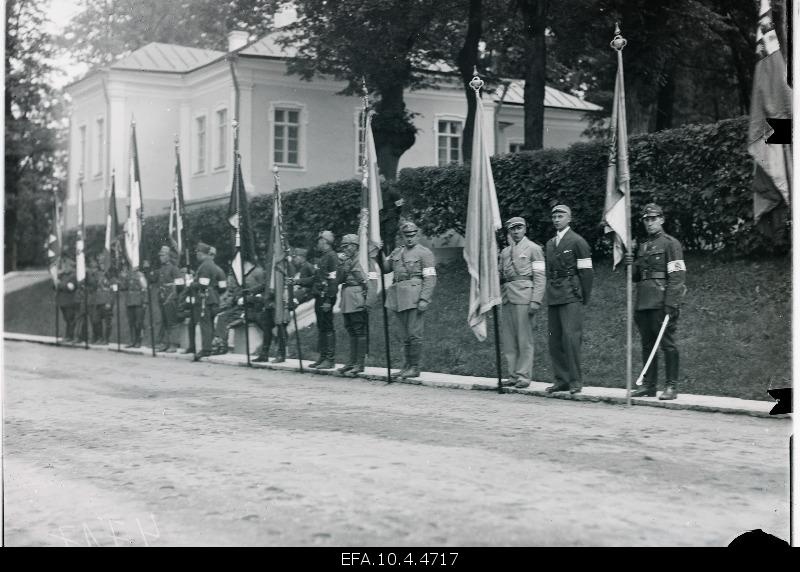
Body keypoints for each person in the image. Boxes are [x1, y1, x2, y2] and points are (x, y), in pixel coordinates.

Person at [625, 203, 687, 400]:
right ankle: (649, 385)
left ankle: (671, 386)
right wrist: (630, 262)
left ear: (661, 219)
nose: (650, 223)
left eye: (653, 219)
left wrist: (671, 302)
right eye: (646, 220)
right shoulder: (643, 246)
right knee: (647, 345)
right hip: (643, 302)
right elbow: (636, 276)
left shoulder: (670, 244)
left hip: (661, 301)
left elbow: (677, 275)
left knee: (667, 344)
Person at [544, 204, 593, 394]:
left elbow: (587, 272)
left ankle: (575, 381)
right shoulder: (549, 244)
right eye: (554, 216)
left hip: (571, 294)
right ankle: (561, 379)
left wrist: (584, 296)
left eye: (561, 216)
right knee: (554, 339)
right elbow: (549, 271)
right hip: (554, 294)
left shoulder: (577, 241)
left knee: (571, 338)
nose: (557, 219)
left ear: (569, 218)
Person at [381, 220, 437, 379]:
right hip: (399, 298)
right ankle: (406, 366)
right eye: (406, 236)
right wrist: (379, 252)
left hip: (414, 297)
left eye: (412, 235)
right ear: (402, 236)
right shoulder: (397, 252)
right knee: (404, 334)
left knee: (414, 334)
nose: (410, 238)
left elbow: (430, 278)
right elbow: (386, 269)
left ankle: (414, 367)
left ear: (417, 235)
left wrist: (424, 299)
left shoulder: (424, 253)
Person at [498, 217, 546, 389]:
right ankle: (512, 374)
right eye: (513, 229)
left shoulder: (534, 249)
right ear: (509, 231)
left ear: (525, 229)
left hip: (525, 296)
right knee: (509, 340)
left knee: (524, 339)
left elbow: (540, 276)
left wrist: (536, 299)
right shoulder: (504, 252)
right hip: (507, 297)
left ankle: (524, 375)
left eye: (519, 228)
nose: (516, 231)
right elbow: (501, 276)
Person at [299, 230, 339, 369]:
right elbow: (315, 278)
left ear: (324, 241)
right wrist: (297, 281)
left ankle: (330, 358)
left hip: (326, 297)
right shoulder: (324, 257)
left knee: (327, 327)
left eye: (319, 241)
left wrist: (329, 299)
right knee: (322, 327)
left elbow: (333, 280)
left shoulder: (332, 257)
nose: (318, 243)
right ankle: (323, 357)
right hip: (319, 297)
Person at [212, 262, 267, 355]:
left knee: (226, 319)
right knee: (221, 317)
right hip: (241, 306)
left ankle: (223, 345)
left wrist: (248, 298)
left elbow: (262, 294)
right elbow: (236, 294)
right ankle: (220, 344)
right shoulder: (243, 280)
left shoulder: (258, 273)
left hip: (253, 308)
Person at [336, 234, 369, 376]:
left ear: (355, 246)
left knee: (358, 330)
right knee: (350, 329)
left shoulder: (359, 260)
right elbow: (340, 279)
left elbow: (364, 280)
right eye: (343, 247)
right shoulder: (348, 260)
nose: (344, 249)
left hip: (356, 296)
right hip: (348, 296)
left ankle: (359, 364)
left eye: (347, 246)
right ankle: (352, 361)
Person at [192, 242, 227, 358]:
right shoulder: (218, 269)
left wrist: (192, 284)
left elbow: (203, 284)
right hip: (215, 298)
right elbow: (223, 287)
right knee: (210, 323)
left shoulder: (204, 266)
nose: (196, 255)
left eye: (197, 253)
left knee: (205, 323)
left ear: (202, 253)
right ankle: (211, 347)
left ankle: (206, 349)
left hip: (205, 298)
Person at [154, 245, 183, 352]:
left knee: (172, 322)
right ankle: (165, 343)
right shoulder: (161, 269)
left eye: (163, 255)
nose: (160, 257)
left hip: (170, 298)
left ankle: (174, 344)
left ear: (168, 256)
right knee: (164, 321)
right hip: (162, 297)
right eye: (160, 255)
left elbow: (180, 284)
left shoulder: (174, 268)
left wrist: (173, 293)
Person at [120, 264, 148, 348]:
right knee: (131, 322)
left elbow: (145, 288)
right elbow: (123, 287)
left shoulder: (140, 275)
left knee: (138, 322)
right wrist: (123, 278)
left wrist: (145, 301)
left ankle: (138, 341)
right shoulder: (128, 275)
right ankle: (132, 341)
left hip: (139, 301)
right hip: (129, 301)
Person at [91, 254, 114, 344]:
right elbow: (94, 285)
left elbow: (113, 290)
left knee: (107, 322)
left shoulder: (111, 275)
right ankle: (100, 337)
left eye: (103, 263)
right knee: (96, 320)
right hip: (98, 301)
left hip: (107, 301)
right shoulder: (97, 274)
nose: (102, 265)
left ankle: (106, 339)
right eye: (100, 263)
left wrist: (110, 301)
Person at [55, 256, 79, 343]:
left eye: (66, 266)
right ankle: (68, 335)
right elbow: (55, 287)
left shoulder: (74, 276)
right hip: (62, 301)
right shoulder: (62, 276)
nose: (64, 267)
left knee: (70, 319)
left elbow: (70, 287)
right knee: (66, 319)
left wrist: (59, 284)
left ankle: (70, 336)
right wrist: (55, 283)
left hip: (70, 301)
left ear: (71, 267)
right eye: (64, 266)